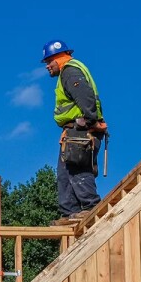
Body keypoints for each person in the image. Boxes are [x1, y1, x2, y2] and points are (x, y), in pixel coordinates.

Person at [41, 39, 105, 226]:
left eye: (48, 62)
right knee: (65, 173)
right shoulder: (67, 73)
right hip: (73, 131)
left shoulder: (70, 72)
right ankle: (70, 214)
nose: (47, 67)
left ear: (57, 58)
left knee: (78, 168)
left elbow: (85, 96)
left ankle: (90, 209)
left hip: (81, 130)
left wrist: (89, 121)